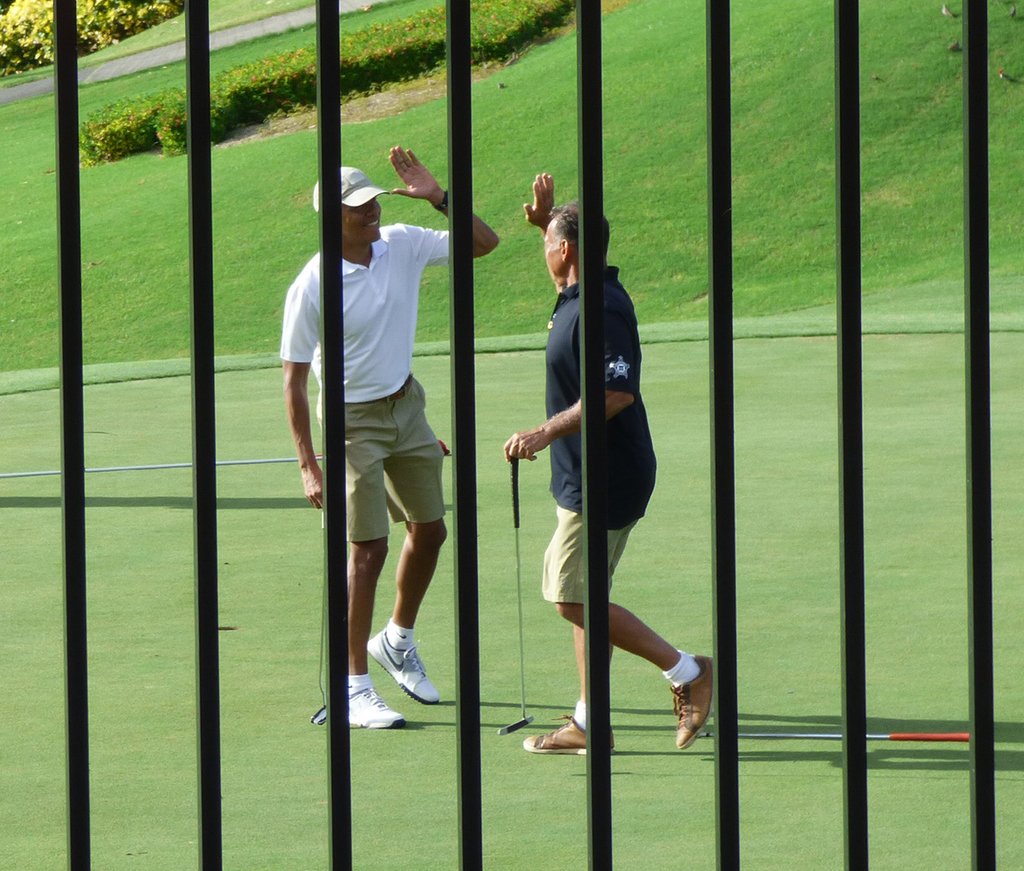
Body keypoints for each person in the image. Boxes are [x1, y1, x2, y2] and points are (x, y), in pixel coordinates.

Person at [280, 146, 499, 729]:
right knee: (368, 549)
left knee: (431, 531)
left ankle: (396, 640)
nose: (371, 210)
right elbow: (294, 381)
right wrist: (308, 464)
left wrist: (441, 198)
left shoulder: (401, 241)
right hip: (353, 422)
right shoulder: (313, 284)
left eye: (373, 199)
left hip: (408, 405)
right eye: (357, 207)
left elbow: (484, 243)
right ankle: (354, 686)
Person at [503, 174, 712, 753]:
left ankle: (688, 672)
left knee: (571, 596)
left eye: (548, 241)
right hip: (584, 475)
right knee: (585, 597)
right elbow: (563, 261)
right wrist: (542, 226)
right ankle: (589, 721)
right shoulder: (577, 291)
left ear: (566, 250)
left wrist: (543, 432)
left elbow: (616, 393)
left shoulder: (601, 305)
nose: (543, 249)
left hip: (606, 477)